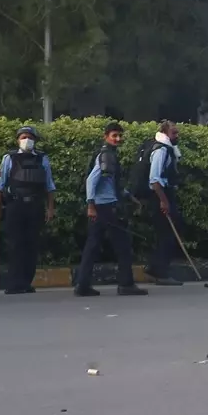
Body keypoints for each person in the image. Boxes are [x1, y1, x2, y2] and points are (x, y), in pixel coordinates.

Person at [77, 122, 147, 297]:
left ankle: (82, 284)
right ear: (106, 136)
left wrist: (130, 197)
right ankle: (126, 284)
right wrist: (91, 205)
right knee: (123, 246)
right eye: (114, 135)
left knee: (92, 246)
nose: (117, 139)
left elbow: (111, 184)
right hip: (105, 208)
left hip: (104, 206)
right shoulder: (106, 155)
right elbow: (91, 181)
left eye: (119, 136)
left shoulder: (108, 154)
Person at [0, 125, 56, 295]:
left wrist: (50, 208)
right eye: (23, 137)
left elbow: (50, 186)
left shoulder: (42, 159)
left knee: (32, 245)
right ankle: (14, 283)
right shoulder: (9, 158)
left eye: (30, 137)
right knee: (15, 245)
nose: (27, 140)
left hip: (35, 206)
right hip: (15, 205)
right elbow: (0, 185)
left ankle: (26, 282)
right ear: (17, 140)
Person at [147, 121, 184, 286]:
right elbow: (154, 180)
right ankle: (161, 273)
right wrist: (163, 201)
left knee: (164, 235)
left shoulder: (168, 149)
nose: (177, 136)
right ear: (165, 133)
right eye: (174, 133)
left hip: (164, 195)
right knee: (166, 236)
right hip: (160, 196)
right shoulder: (161, 150)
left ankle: (155, 268)